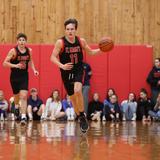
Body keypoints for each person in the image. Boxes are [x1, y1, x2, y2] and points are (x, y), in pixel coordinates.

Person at [50, 18, 102, 133]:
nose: (70, 31)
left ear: (75, 30)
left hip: (78, 69)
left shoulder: (81, 41)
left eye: (72, 29)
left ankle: (82, 116)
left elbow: (91, 52)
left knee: (78, 90)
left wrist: (101, 49)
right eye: (68, 29)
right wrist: (61, 65)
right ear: (65, 30)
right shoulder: (60, 42)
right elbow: (52, 57)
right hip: (66, 71)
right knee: (73, 98)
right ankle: (79, 116)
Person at [3, 33, 39, 125]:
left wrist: (34, 70)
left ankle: (23, 117)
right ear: (17, 41)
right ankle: (16, 106)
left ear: (26, 41)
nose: (22, 42)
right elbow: (5, 63)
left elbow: (30, 61)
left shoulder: (29, 50)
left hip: (24, 76)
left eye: (23, 40)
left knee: (23, 95)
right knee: (16, 96)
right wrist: (15, 65)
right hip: (14, 76)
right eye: (20, 40)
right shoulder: (13, 51)